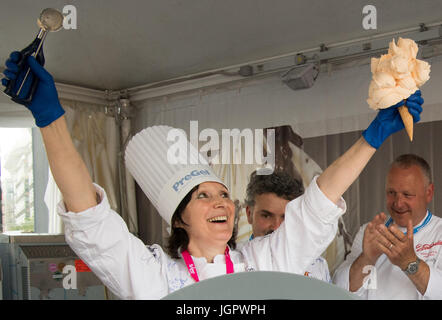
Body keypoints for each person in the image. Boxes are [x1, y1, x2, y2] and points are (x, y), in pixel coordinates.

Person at [2, 51, 423, 299]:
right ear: (180, 217)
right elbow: (90, 217)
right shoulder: (155, 276)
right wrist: (50, 118)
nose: (221, 202)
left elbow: (318, 205)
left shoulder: (260, 261)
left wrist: (372, 137)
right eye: (203, 196)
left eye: (223, 194)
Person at [333, 154, 442, 299]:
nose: (398, 203)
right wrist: (367, 258)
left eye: (407, 194)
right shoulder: (371, 232)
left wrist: (410, 263)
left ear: (428, 193)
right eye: (392, 193)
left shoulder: (438, 232)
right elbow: (338, 290)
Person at [244, 170, 331, 281]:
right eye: (266, 216)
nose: (276, 227)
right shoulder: (234, 261)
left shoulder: (318, 266)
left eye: (285, 218)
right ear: (249, 214)